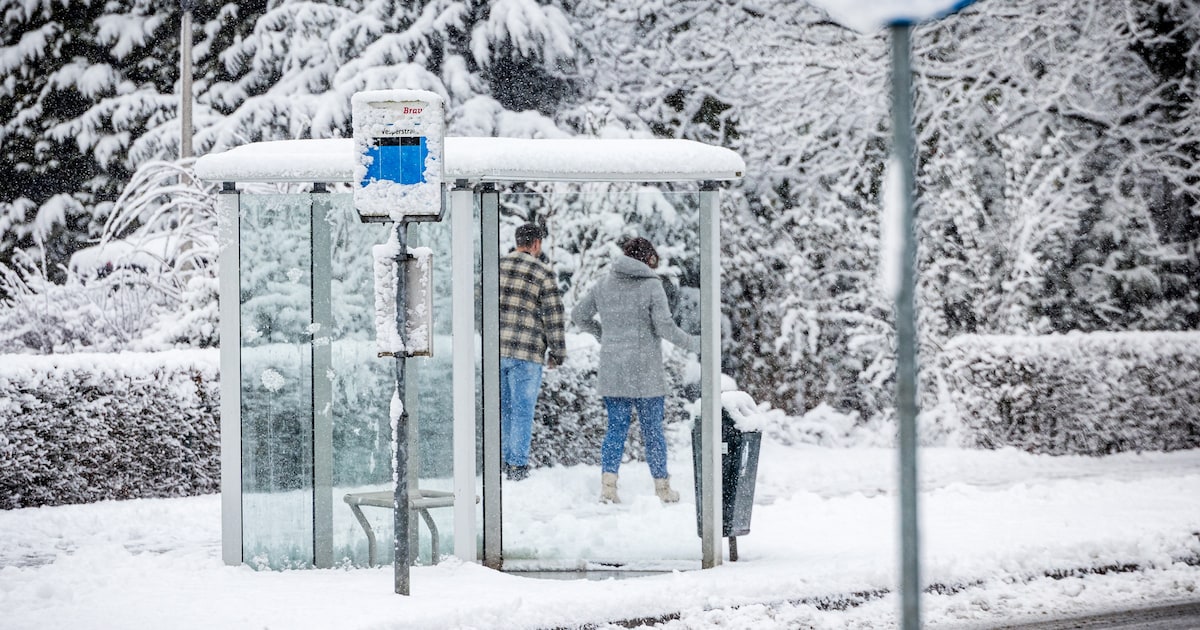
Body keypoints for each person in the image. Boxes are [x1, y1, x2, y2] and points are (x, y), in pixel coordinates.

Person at [572, 237, 700, 504]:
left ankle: (608, 489)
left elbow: (578, 315)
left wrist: (603, 334)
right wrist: (696, 343)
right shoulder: (652, 285)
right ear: (648, 259)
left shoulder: (603, 284)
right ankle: (663, 489)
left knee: (615, 429)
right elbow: (665, 327)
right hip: (646, 371)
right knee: (653, 430)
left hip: (613, 368)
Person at [499, 223, 567, 481]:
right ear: (536, 244)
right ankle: (517, 465)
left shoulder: (498, 267)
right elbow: (553, 315)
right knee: (522, 411)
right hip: (527, 353)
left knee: (503, 409)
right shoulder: (542, 272)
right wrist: (557, 352)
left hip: (497, 350)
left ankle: (502, 462)